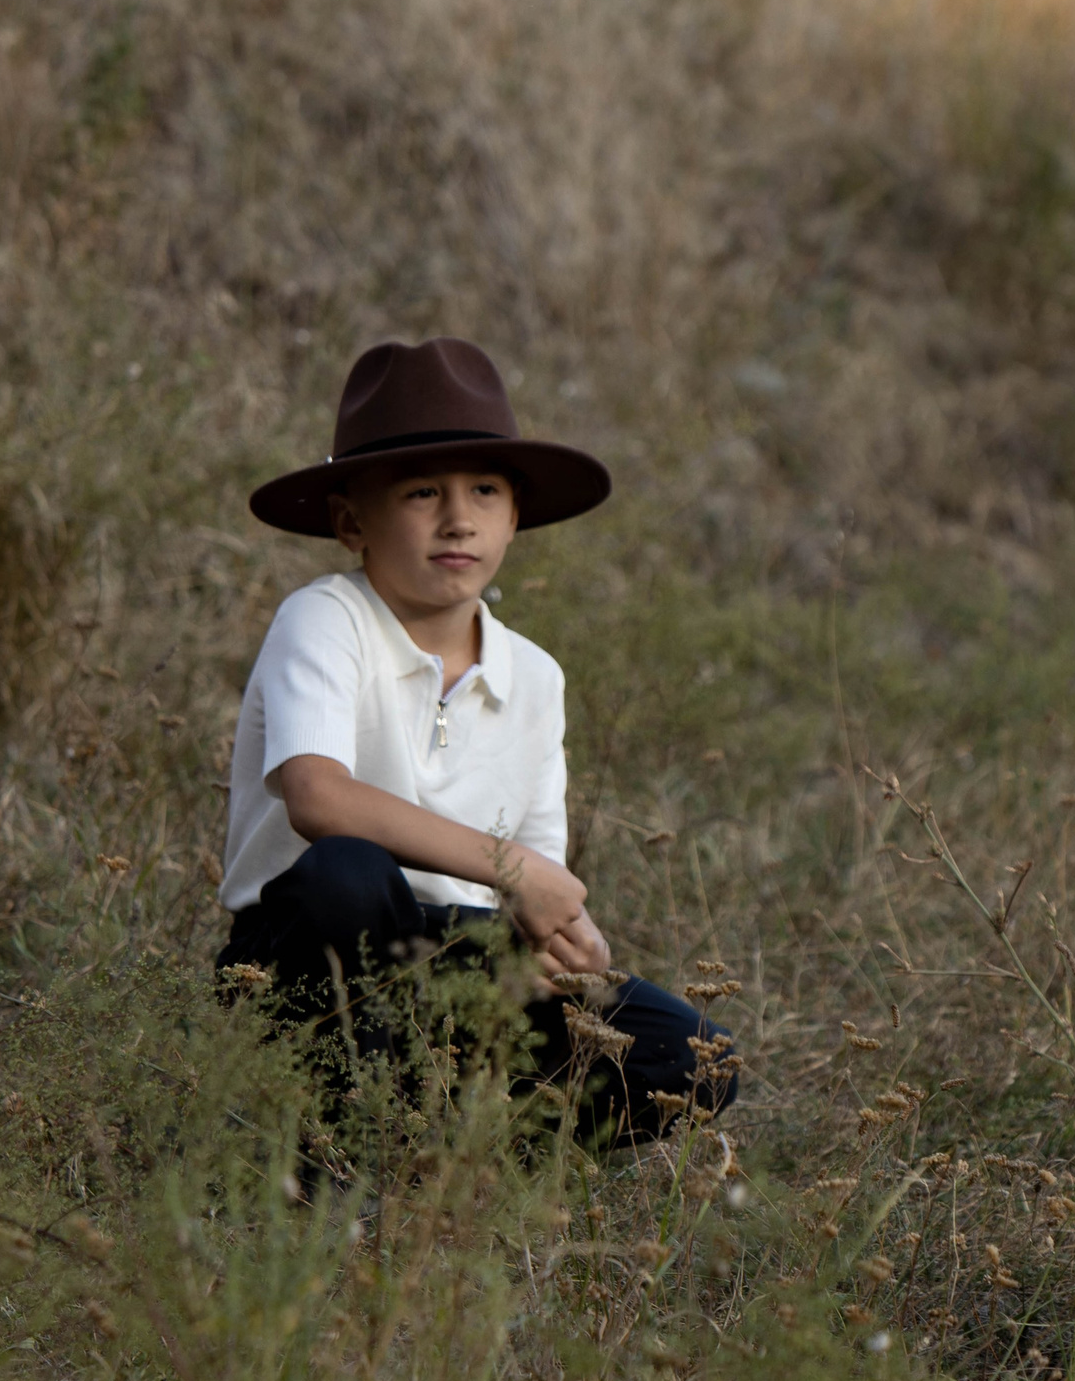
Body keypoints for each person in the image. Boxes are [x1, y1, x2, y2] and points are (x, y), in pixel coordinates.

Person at [214, 337, 735, 1140]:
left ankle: (452, 1166)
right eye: (423, 492)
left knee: (694, 1054)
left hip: (459, 962)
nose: (459, 518)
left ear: (515, 514)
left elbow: (534, 897)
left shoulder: (535, 676)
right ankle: (325, 1159)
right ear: (352, 520)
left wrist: (565, 943)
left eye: (485, 490)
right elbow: (318, 797)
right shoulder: (324, 618)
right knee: (347, 873)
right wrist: (516, 868)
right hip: (305, 946)